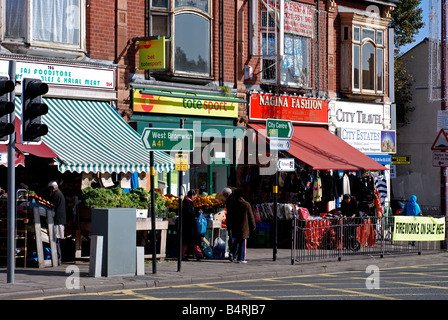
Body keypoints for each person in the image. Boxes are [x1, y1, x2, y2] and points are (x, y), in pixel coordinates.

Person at [229, 189, 256, 263]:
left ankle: (233, 255)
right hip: (243, 226)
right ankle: (241, 258)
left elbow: (229, 216)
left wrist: (229, 226)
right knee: (242, 242)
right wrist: (253, 225)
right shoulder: (246, 204)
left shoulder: (232, 204)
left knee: (236, 241)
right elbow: (251, 216)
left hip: (234, 225)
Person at [181, 190, 203, 261]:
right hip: (189, 225)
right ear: (192, 196)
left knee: (187, 241)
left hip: (186, 225)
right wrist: (197, 213)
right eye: (195, 197)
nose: (195, 198)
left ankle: (182, 255)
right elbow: (190, 214)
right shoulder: (187, 203)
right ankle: (199, 255)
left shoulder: (186, 202)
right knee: (193, 241)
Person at [48, 181, 66, 265]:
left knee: (56, 239)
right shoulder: (60, 194)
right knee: (57, 239)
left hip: (57, 220)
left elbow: (52, 205)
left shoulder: (56, 195)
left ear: (52, 188)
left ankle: (58, 258)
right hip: (60, 220)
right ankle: (58, 258)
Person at [222, 187, 235, 260]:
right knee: (232, 238)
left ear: (227, 194)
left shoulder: (231, 200)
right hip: (231, 222)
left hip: (232, 222)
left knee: (232, 238)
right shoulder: (231, 199)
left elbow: (230, 213)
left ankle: (232, 253)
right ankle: (232, 253)